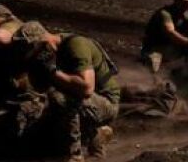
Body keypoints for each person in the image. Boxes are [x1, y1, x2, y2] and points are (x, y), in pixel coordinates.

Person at [14, 21, 120, 162]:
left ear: (46, 41)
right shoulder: (49, 55)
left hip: (106, 103)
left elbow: (87, 88)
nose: (36, 55)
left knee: (60, 98)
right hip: (83, 103)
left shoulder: (76, 45)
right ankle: (95, 137)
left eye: (36, 49)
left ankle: (74, 156)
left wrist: (52, 72)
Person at [140, 0, 188, 74]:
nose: (187, 5)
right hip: (156, 48)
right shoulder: (165, 13)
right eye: (185, 2)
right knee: (152, 70)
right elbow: (170, 32)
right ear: (177, 0)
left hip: (171, 48)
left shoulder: (186, 14)